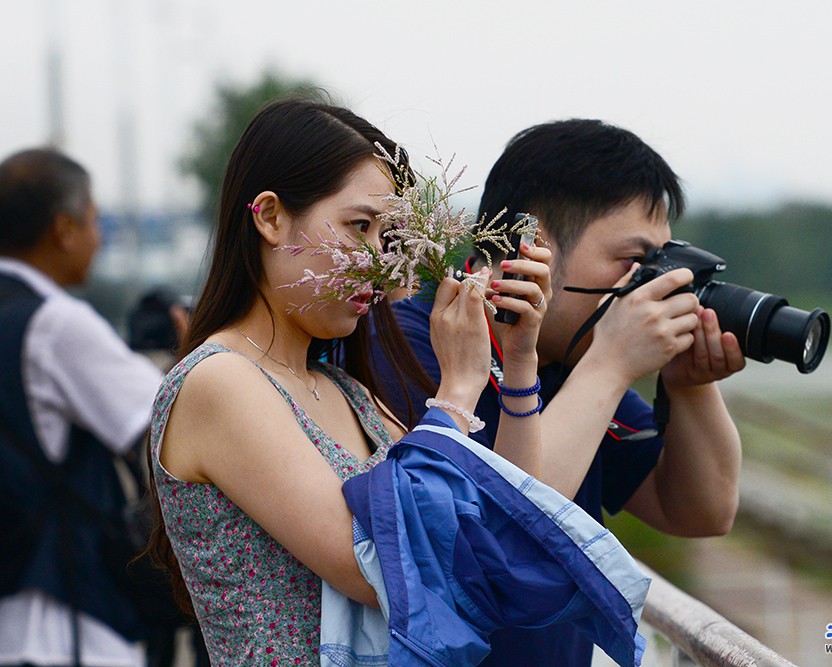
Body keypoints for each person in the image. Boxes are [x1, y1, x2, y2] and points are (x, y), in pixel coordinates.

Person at [144, 96, 554, 664]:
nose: (379, 262)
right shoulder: (220, 382)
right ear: (269, 217)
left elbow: (507, 533)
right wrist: (457, 391)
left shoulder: (347, 393)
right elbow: (382, 569)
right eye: (359, 226)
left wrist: (519, 362)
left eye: (387, 238)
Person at [375, 118, 747, 666]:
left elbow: (700, 510)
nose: (653, 285)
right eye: (634, 262)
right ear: (532, 246)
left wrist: (688, 385)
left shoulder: (575, 364)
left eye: (661, 264)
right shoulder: (414, 344)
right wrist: (613, 361)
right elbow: (513, 529)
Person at [0, 148, 168, 666]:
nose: (98, 240)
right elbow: (166, 417)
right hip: (57, 617)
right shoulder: (54, 324)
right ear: (64, 228)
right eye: (95, 222)